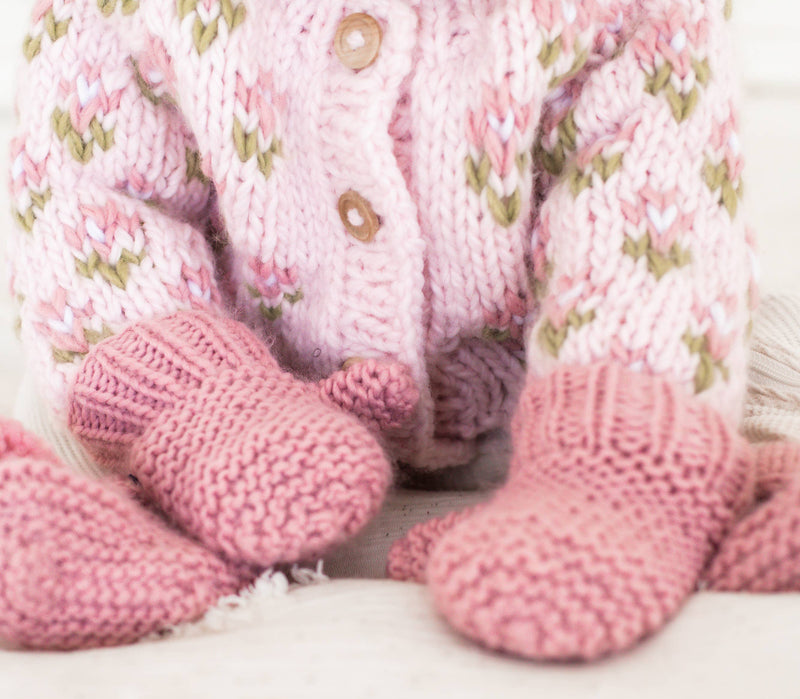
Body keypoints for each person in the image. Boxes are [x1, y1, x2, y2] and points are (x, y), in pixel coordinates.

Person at [2, 0, 795, 657]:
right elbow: (88, 210)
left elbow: (653, 217)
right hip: (207, 366)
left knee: (732, 376)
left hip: (556, 375)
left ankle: (623, 469)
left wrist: (616, 451)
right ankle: (164, 483)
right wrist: (195, 398)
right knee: (66, 442)